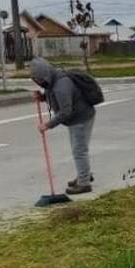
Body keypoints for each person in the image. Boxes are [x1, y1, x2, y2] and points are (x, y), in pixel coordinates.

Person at [30, 57, 96, 195]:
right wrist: (42, 97)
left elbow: (66, 111)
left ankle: (84, 183)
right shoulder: (52, 79)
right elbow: (52, 94)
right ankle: (84, 174)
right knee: (78, 149)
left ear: (43, 76)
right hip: (76, 118)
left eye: (37, 79)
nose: (36, 82)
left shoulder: (61, 85)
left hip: (81, 118)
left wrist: (47, 125)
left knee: (79, 150)